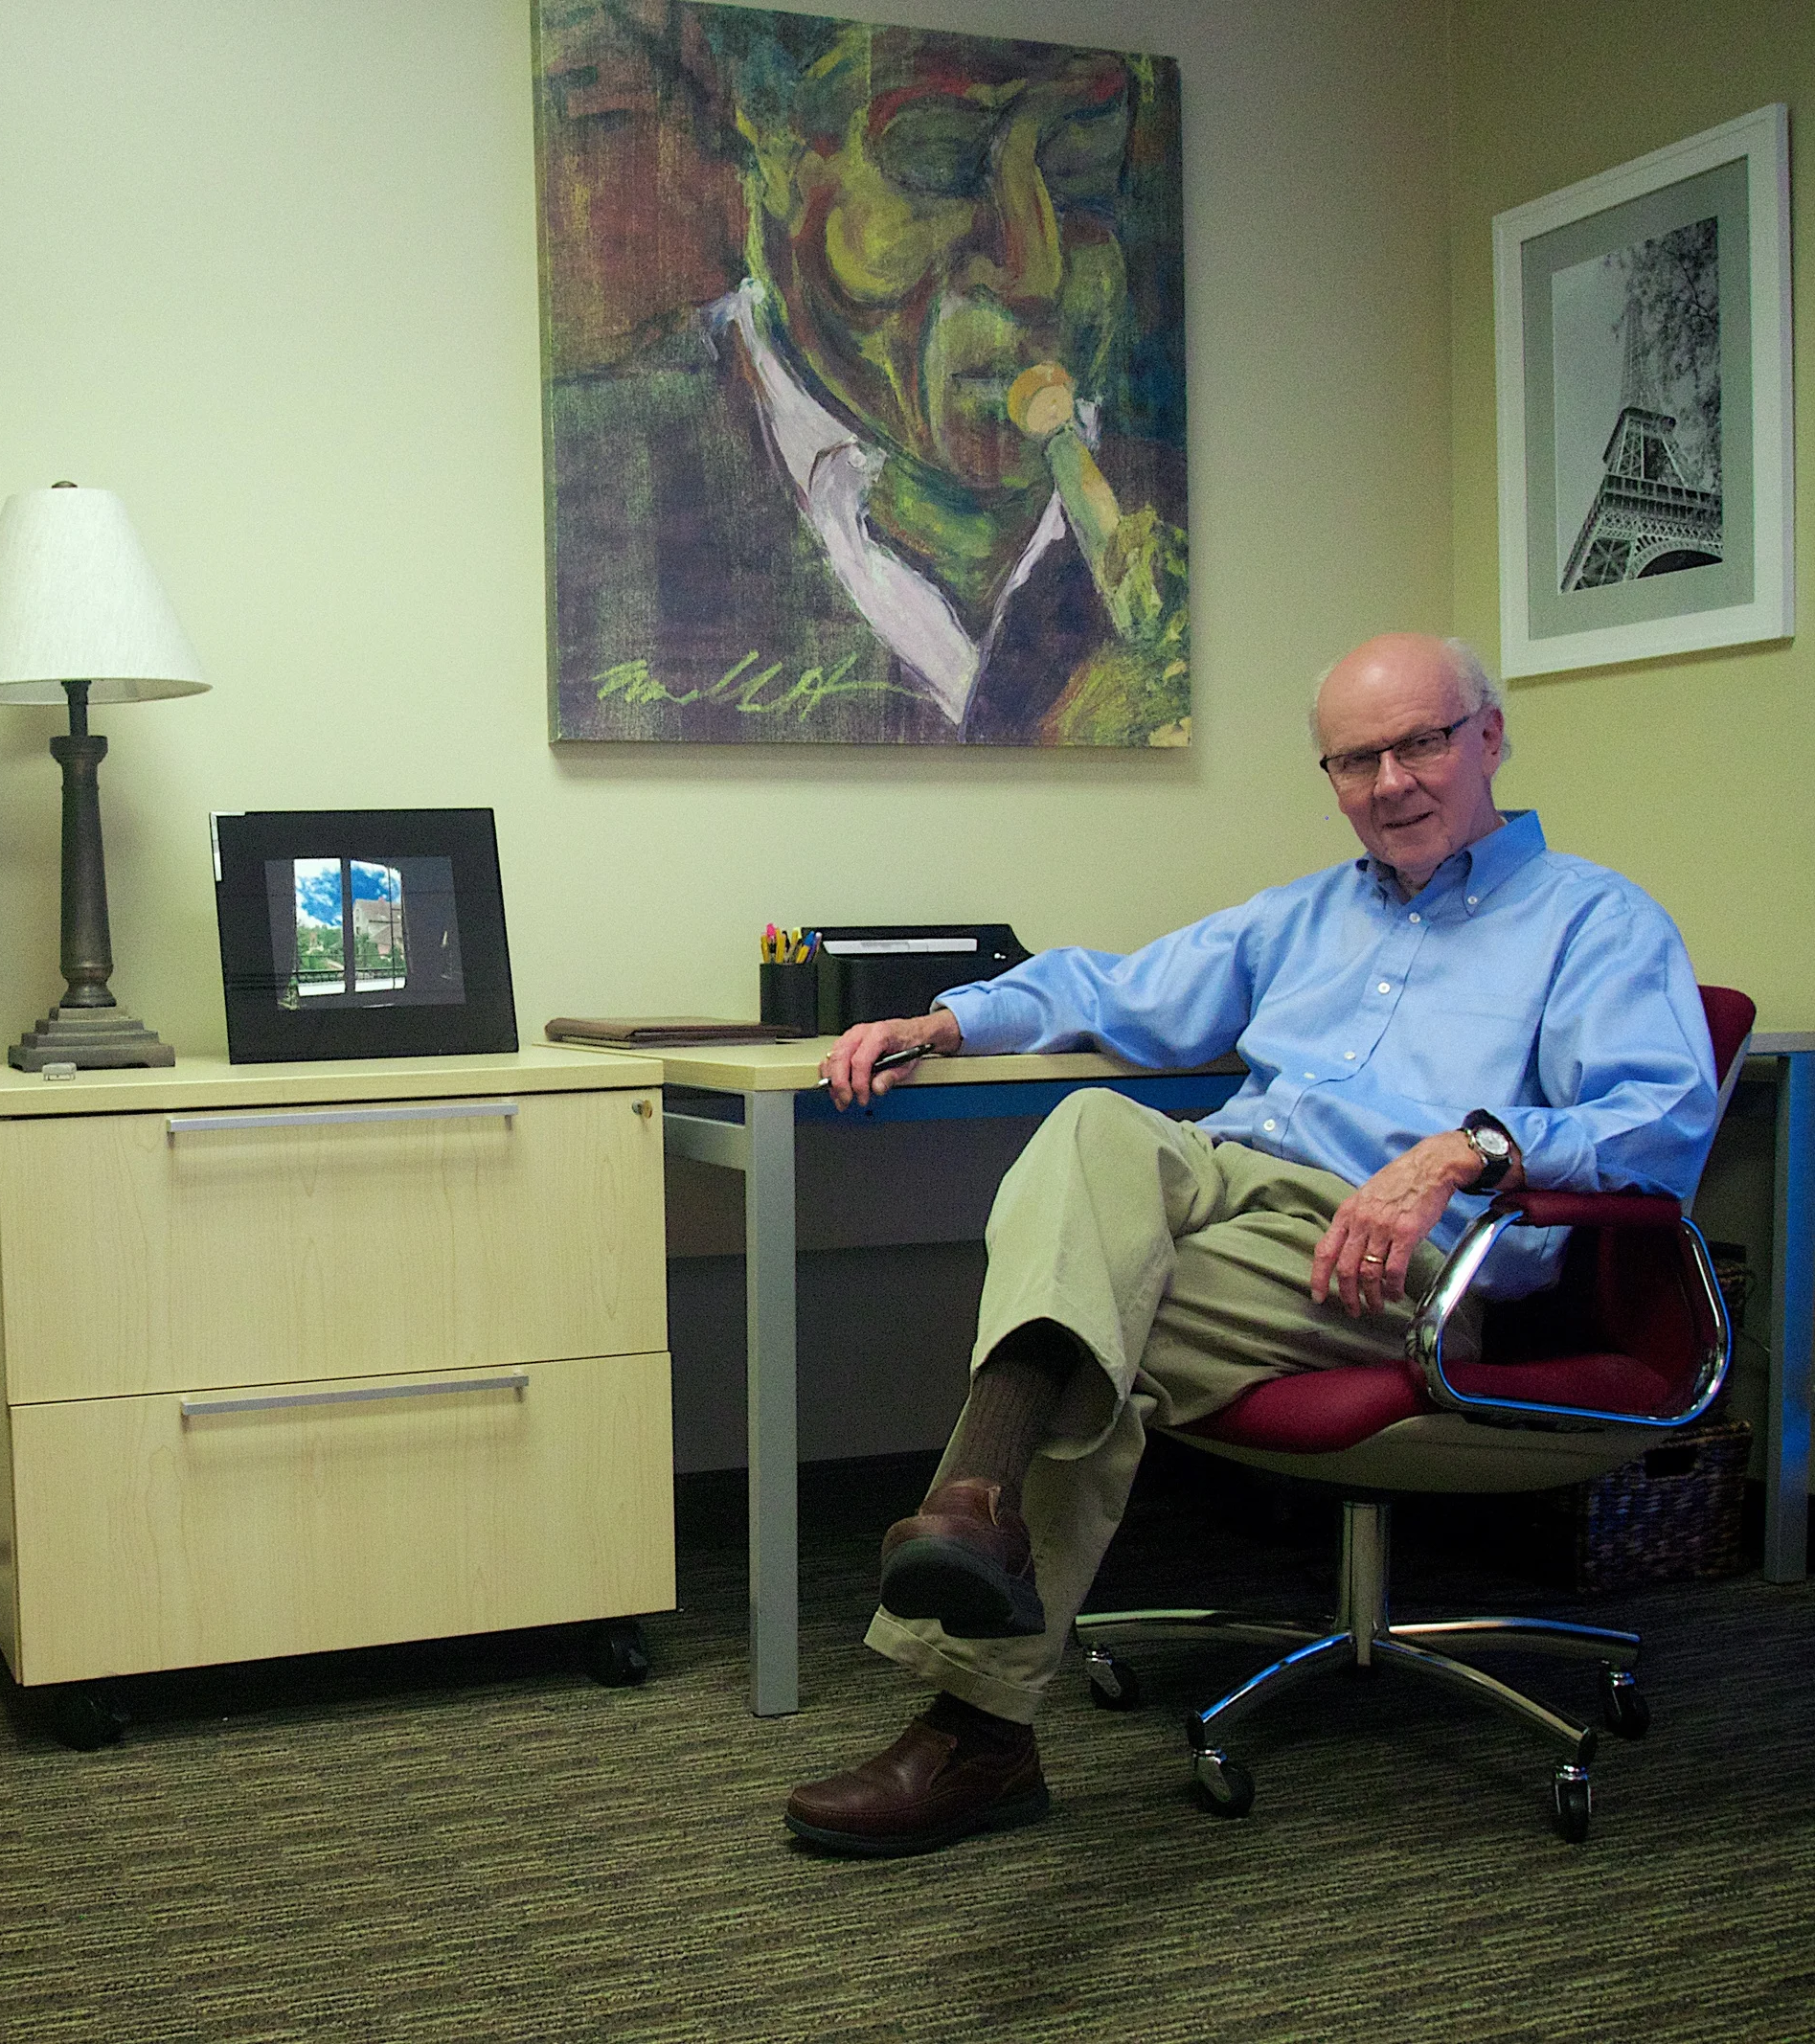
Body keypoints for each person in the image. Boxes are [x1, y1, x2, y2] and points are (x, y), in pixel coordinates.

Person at [783, 631, 1720, 1856]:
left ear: (1488, 736)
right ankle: (976, 1507)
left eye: (1420, 743)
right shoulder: (1304, 915)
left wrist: (1464, 1148)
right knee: (1093, 1125)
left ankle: (978, 1721)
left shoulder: (1595, 920)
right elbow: (1113, 990)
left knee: (1105, 1318)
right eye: (1353, 760)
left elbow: (1658, 1119)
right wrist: (950, 1018)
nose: (1390, 782)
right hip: (1228, 1180)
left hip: (1395, 1259)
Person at [543, 11, 1189, 746]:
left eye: (1079, 174)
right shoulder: (584, 488)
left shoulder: (1180, 521)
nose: (1033, 269)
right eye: (941, 161)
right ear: (778, 159)